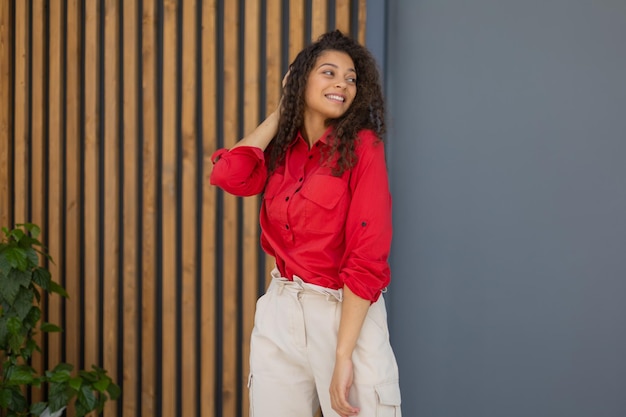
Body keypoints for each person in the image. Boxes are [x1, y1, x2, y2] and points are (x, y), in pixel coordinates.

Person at [210, 30, 401, 417]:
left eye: (350, 78)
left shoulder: (364, 148)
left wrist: (343, 354)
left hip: (343, 315)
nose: (341, 84)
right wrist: (284, 109)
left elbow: (368, 256)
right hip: (281, 310)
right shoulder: (282, 148)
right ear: (301, 80)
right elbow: (229, 174)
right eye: (328, 73)